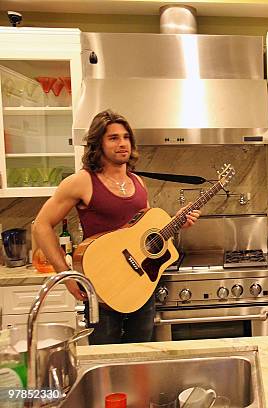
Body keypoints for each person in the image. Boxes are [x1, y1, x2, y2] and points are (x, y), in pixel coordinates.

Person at [33, 110, 200, 344]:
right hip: (102, 290)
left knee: (140, 363)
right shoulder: (82, 181)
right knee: (106, 363)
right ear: (97, 143)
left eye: (126, 137)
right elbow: (41, 225)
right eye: (113, 138)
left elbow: (143, 235)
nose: (122, 144)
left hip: (141, 289)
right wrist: (67, 276)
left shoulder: (137, 183)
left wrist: (176, 223)